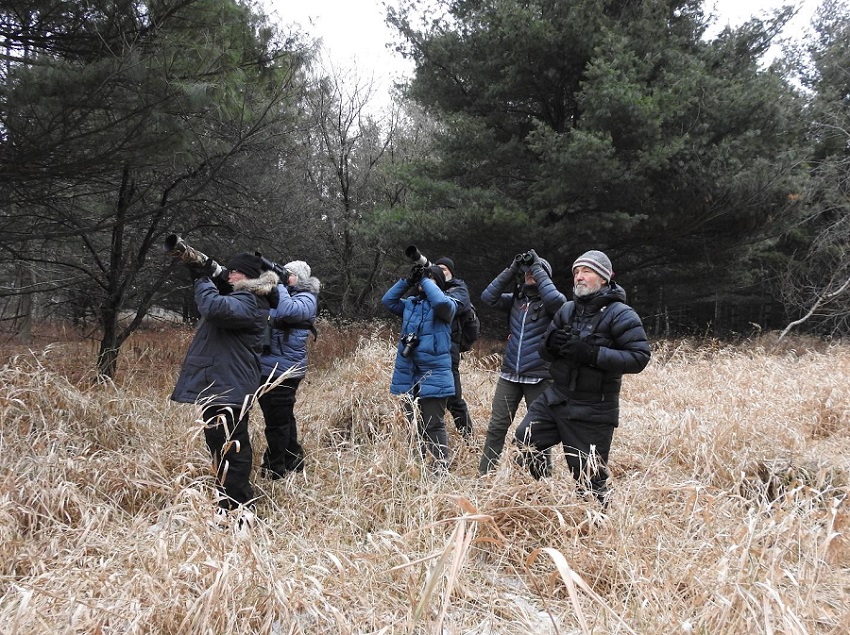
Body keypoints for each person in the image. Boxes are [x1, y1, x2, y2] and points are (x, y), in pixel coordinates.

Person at [514, 250, 650, 504]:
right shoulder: (567, 310)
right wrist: (552, 344)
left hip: (593, 409)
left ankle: (595, 523)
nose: (579, 276)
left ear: (604, 278)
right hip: (557, 398)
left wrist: (591, 353)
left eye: (586, 271)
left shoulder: (621, 314)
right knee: (526, 439)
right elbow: (544, 351)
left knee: (589, 481)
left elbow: (639, 357)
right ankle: (541, 495)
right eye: (576, 272)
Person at [170, 252, 279, 514]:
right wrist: (208, 273)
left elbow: (214, 308)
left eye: (235, 272)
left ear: (249, 277)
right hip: (225, 382)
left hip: (229, 385)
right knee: (222, 444)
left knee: (231, 447)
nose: (229, 275)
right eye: (228, 271)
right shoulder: (248, 298)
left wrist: (202, 278)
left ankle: (238, 508)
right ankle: (229, 502)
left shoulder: (250, 300)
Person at [478, 249, 566, 475]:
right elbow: (488, 297)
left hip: (539, 375)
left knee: (538, 430)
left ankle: (541, 478)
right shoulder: (516, 300)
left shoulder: (551, 305)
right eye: (527, 271)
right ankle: (484, 475)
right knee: (497, 426)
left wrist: (537, 267)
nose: (530, 274)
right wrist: (512, 270)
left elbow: (558, 302)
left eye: (536, 271)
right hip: (510, 374)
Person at [382, 262, 457, 474]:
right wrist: (408, 281)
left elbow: (440, 302)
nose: (424, 282)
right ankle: (418, 468)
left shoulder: (448, 305)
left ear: (438, 283)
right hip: (409, 373)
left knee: (434, 424)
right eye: (424, 278)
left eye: (430, 278)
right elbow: (388, 301)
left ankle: (440, 469)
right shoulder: (411, 305)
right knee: (412, 424)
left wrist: (426, 278)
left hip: (434, 374)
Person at [258, 260, 320, 479]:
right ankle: (293, 459)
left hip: (286, 369)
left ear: (300, 278)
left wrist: (279, 284)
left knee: (276, 421)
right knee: (281, 417)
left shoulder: (307, 297)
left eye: (289, 274)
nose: (285, 277)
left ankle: (275, 468)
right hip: (270, 365)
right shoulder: (284, 294)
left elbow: (288, 311)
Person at [434, 256, 474, 439]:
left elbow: (448, 307)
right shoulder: (428, 288)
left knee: (454, 398)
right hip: (428, 351)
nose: (441, 272)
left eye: (444, 269)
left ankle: (468, 440)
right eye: (437, 269)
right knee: (426, 397)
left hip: (449, 350)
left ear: (451, 272)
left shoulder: (459, 289)